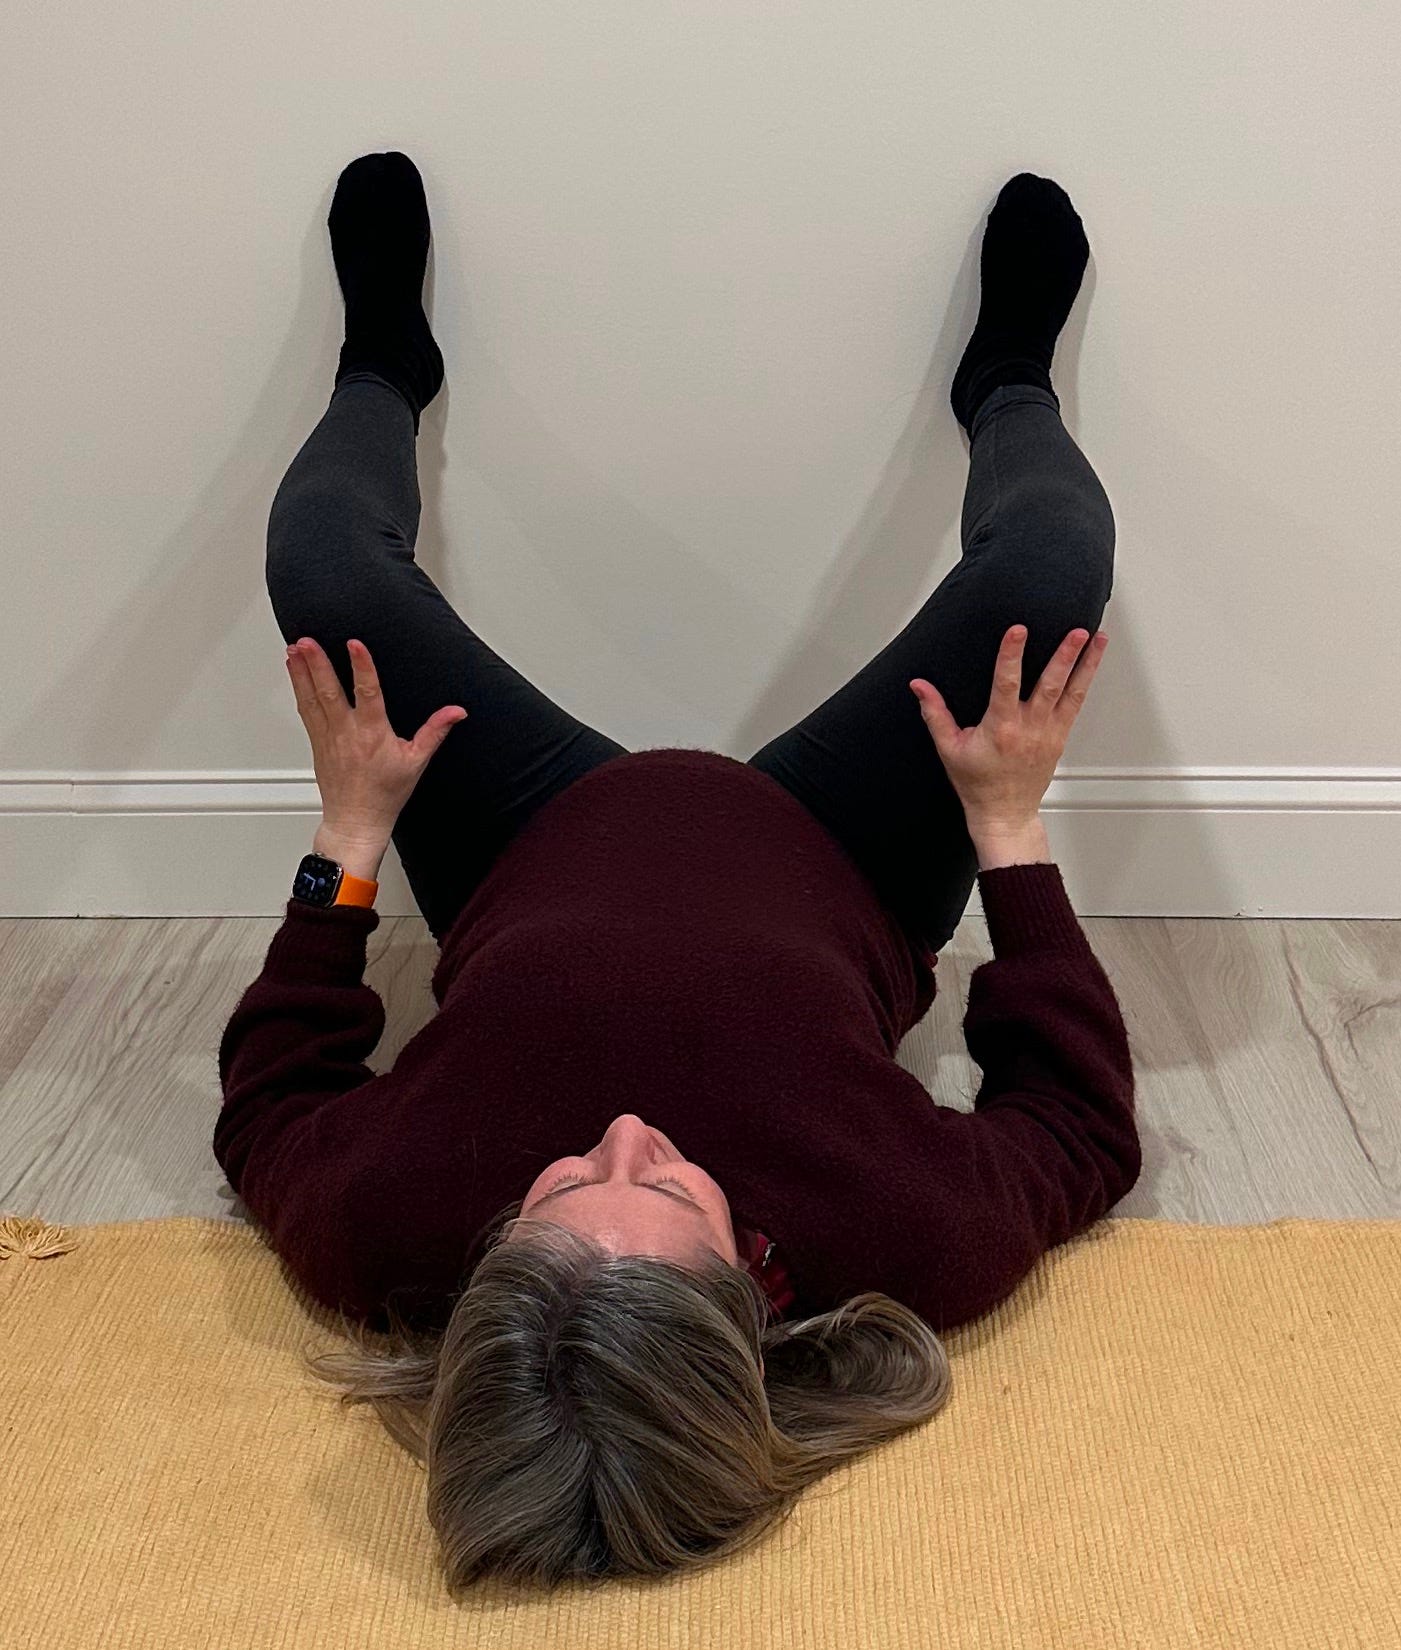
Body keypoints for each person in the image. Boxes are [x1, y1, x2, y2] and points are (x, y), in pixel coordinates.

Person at [215, 153, 1135, 1594]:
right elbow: (1080, 1128)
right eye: (677, 1188)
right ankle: (1010, 380)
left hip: (529, 836)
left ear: (489, 1270)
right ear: (757, 1297)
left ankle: (381, 362)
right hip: (844, 857)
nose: (628, 1127)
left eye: (567, 1177)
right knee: (1046, 583)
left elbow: (267, 1098)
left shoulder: (381, 1226)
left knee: (322, 571)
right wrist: (1008, 829)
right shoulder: (909, 1236)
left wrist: (348, 843)